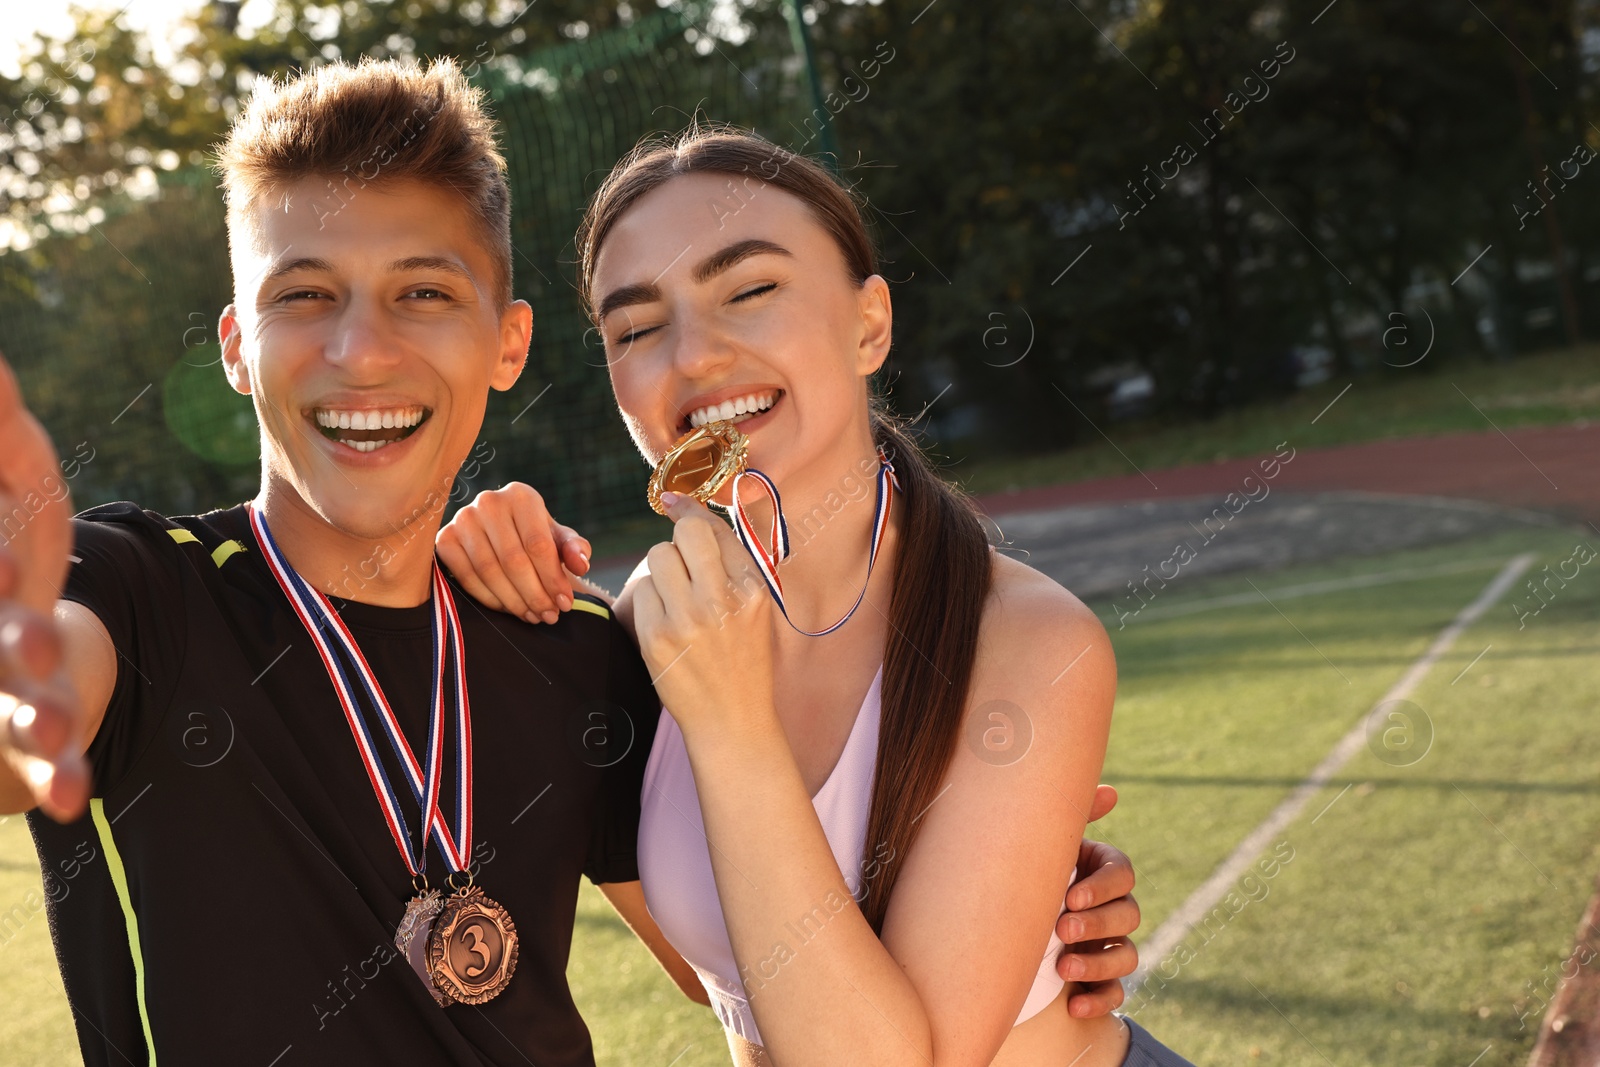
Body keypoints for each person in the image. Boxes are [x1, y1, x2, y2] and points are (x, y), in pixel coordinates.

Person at [0, 61, 1141, 1066]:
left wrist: (1018, 876)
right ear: (237, 349)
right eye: (305, 295)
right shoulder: (143, 589)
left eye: (424, 292)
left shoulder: (580, 648)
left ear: (508, 345)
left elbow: (740, 963)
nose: (363, 348)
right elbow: (29, 692)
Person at [436, 128, 1192, 1065]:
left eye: (748, 290)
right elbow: (734, 974)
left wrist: (730, 722)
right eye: (635, 327)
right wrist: (495, 580)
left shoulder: (1031, 640)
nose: (696, 355)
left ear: (870, 322)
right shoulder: (644, 626)